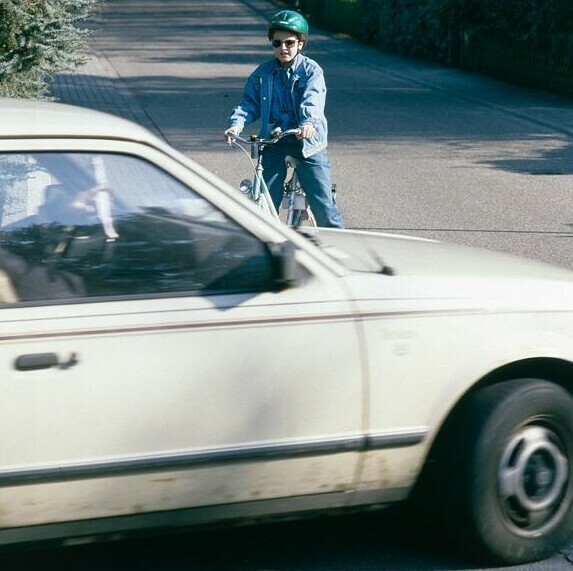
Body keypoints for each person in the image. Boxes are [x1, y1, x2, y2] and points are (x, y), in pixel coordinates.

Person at [224, 10, 344, 228]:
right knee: (265, 198)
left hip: (307, 142)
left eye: (289, 43)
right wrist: (235, 125)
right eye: (277, 43)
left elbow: (313, 100)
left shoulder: (312, 71)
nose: (283, 48)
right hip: (274, 140)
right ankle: (268, 244)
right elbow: (249, 103)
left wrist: (307, 123)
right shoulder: (263, 72)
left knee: (323, 204)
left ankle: (341, 251)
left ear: (300, 44)